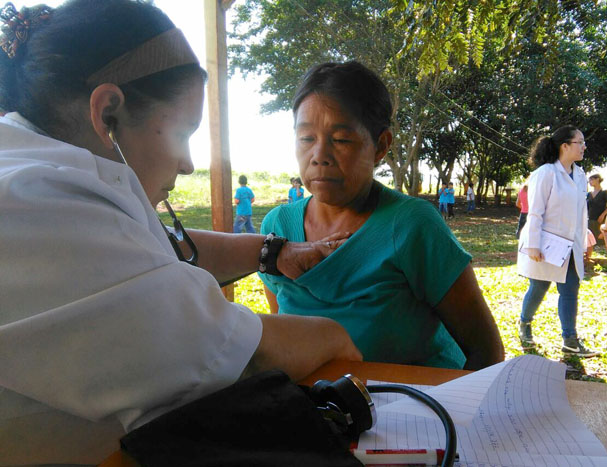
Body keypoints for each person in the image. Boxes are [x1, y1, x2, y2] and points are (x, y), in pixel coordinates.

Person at [0, 2, 362, 464]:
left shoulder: (31, 173)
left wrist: (272, 253)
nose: (188, 164)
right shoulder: (34, 202)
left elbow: (146, 249)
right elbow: (236, 360)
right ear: (108, 112)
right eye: (185, 132)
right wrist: (333, 337)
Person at [259, 61, 505, 371]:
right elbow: (283, 325)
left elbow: (487, 351)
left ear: (381, 146)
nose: (319, 156)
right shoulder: (277, 227)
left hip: (415, 408)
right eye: (306, 139)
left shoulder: (412, 225)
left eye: (341, 139)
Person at [516, 125, 599, 357]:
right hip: (545, 243)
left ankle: (570, 340)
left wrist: (583, 240)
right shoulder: (546, 173)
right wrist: (533, 245)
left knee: (571, 288)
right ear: (565, 146)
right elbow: (535, 212)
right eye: (579, 142)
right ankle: (525, 323)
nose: (584, 147)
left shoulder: (580, 175)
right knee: (539, 287)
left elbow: (581, 212)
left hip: (570, 245)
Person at [586, 173, 607, 244]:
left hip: (601, 219)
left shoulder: (605, 192)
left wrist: (603, 215)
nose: (590, 182)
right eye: (589, 180)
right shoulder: (589, 194)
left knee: (601, 240)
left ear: (597, 179)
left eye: (591, 179)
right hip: (591, 219)